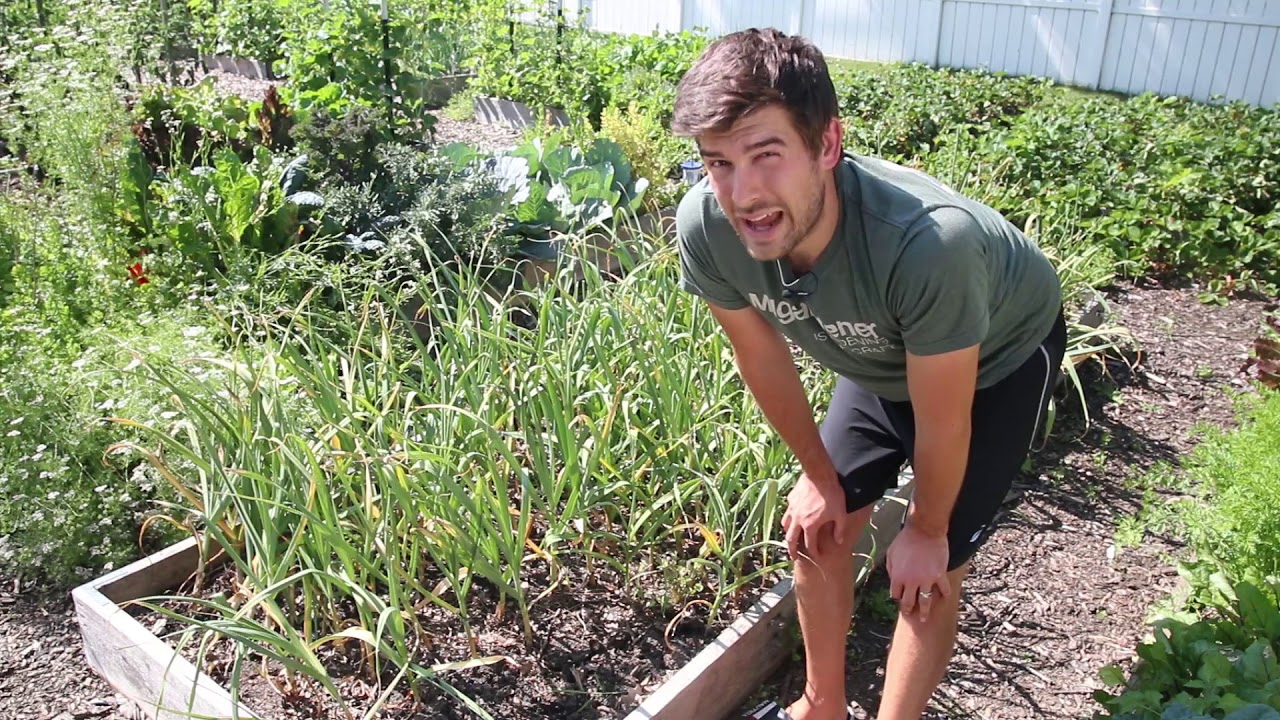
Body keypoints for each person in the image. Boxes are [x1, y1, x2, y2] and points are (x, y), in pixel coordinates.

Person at [670, 28, 1067, 720]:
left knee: (928, 574)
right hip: (884, 353)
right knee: (815, 528)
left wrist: (926, 528)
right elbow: (760, 355)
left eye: (767, 154)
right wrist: (823, 481)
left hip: (995, 360)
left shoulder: (927, 247)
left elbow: (942, 417)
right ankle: (821, 706)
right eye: (719, 163)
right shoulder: (706, 228)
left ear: (827, 145)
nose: (744, 192)